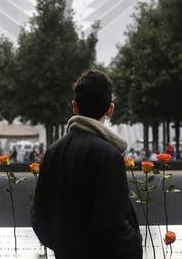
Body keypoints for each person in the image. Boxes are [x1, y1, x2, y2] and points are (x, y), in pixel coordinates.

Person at [32, 69, 142, 259]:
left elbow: (39, 217)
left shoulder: (53, 152)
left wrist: (64, 246)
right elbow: (113, 224)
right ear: (110, 109)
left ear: (74, 107)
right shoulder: (109, 155)